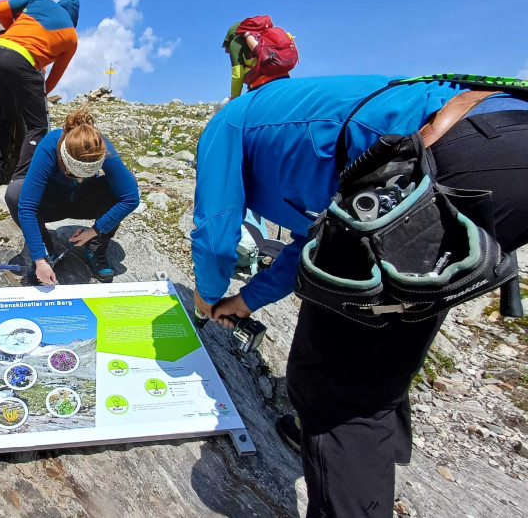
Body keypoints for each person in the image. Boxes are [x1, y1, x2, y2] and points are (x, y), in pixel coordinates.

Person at [190, 74, 528, 517]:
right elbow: (309, 243)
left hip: (445, 157)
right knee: (395, 312)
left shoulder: (225, 125)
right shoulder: (288, 131)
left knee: (333, 387)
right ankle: (374, 452)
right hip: (503, 138)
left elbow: (215, 235)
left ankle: (355, 450)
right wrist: (247, 301)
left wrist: (206, 297)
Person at [5, 105, 140, 284]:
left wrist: (95, 231)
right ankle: (47, 251)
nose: (81, 180)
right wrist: (39, 258)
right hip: (54, 202)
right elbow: (28, 206)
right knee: (15, 193)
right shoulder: (50, 145)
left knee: (126, 182)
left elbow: (130, 198)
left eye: (89, 174)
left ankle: (95, 248)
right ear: (63, 158)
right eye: (74, 174)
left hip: (85, 201)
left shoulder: (102, 147)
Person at [0, 0, 80, 187]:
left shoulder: (39, 0)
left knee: (2, 117)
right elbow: (52, 79)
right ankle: (21, 177)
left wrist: (12, 28)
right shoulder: (71, 37)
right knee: (37, 126)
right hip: (23, 62)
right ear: (74, 18)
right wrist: (35, 95)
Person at [221, 16, 297, 100]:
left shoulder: (236, 43)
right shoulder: (262, 35)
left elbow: (237, 75)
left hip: (261, 84)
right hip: (284, 78)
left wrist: (234, 98)